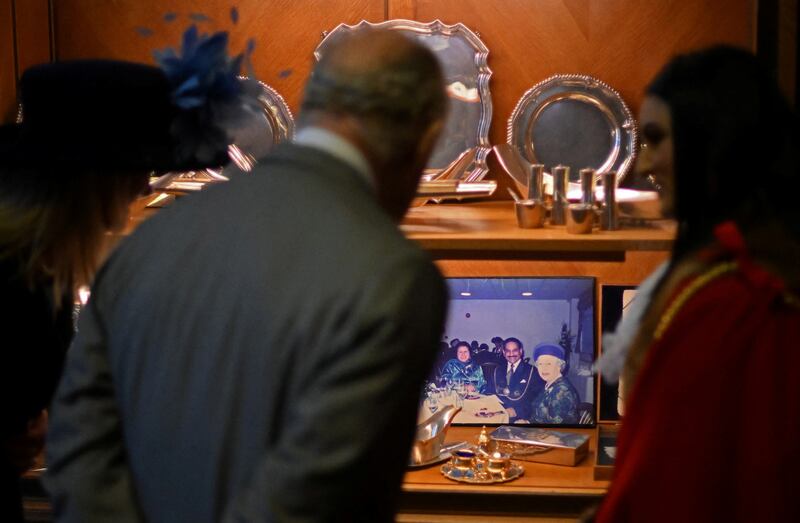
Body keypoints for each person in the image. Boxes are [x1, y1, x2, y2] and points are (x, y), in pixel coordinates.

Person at [45, 28, 448, 522]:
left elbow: (78, 445)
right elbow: (314, 504)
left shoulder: (151, 241)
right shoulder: (395, 277)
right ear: (427, 137)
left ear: (309, 107)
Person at [0, 58, 234, 522]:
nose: (143, 185)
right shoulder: (14, 277)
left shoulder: (43, 262)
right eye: (137, 167)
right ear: (93, 177)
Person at [596, 46, 800, 522]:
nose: (644, 166)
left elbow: (676, 483)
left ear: (713, 143)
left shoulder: (735, 296)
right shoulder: (730, 272)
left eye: (656, 140)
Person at [491, 337, 544, 422]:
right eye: (508, 351)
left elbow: (537, 399)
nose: (511, 354)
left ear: (521, 351)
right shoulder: (497, 370)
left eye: (515, 350)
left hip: (519, 417)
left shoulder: (532, 371)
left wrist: (517, 411)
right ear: (504, 352)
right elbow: (490, 391)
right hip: (496, 415)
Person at [529, 343, 579, 424]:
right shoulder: (550, 384)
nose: (543, 369)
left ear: (559, 366)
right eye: (540, 364)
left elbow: (554, 428)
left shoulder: (562, 392)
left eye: (548, 364)